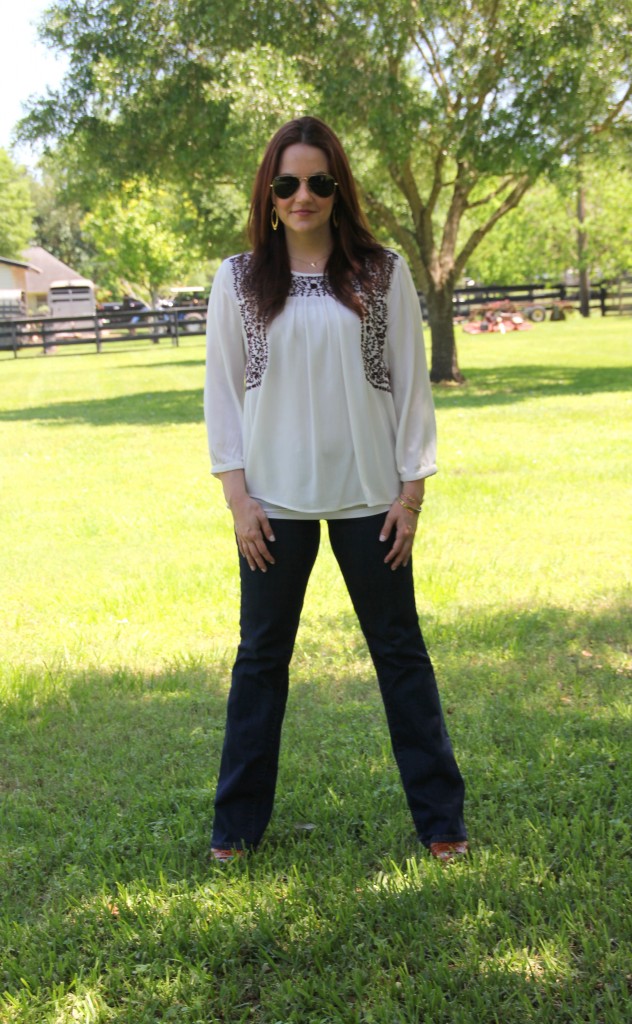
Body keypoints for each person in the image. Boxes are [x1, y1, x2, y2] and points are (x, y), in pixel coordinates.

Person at [204, 116, 467, 864]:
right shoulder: (239, 278)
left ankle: (442, 823)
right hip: (273, 507)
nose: (303, 196)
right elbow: (222, 395)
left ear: (339, 186)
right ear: (269, 191)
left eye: (319, 181)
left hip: (370, 500)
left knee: (401, 654)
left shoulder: (381, 272)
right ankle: (235, 830)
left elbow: (414, 389)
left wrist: (410, 495)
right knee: (260, 661)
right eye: (287, 183)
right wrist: (238, 499)